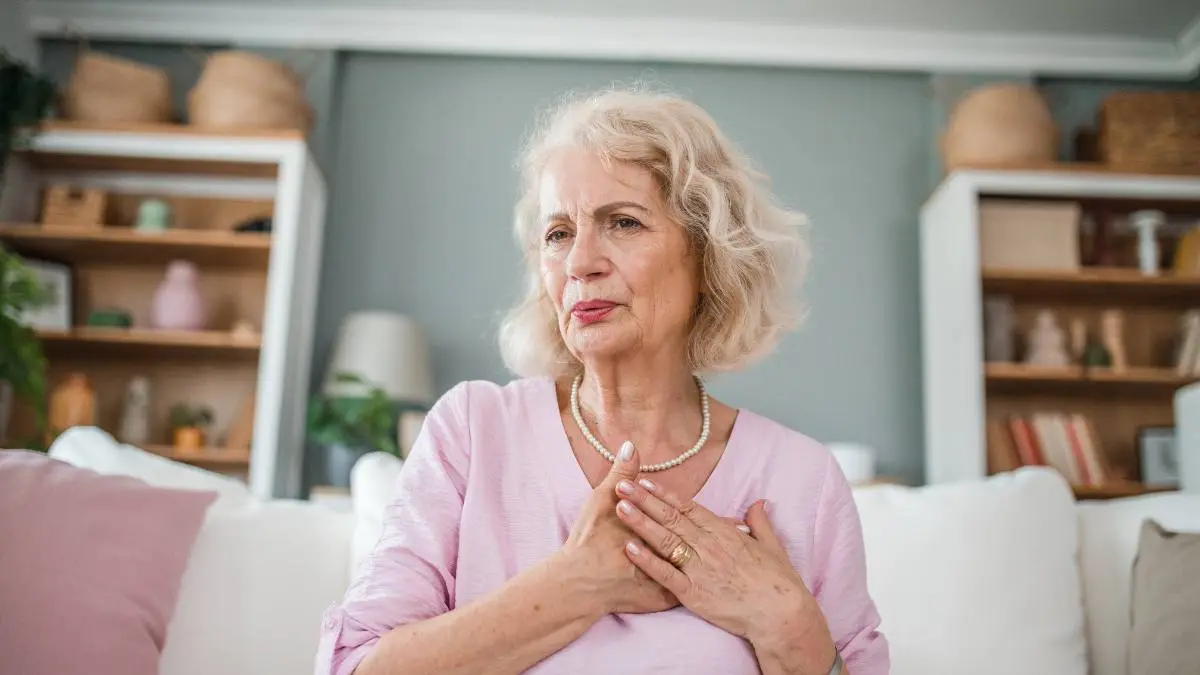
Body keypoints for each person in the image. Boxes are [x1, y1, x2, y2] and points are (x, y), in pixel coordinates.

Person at [314, 85, 889, 675]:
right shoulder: (472, 430)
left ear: (709, 255)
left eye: (623, 222)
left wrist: (789, 629)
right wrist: (576, 585)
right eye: (559, 233)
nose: (580, 262)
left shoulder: (803, 481)